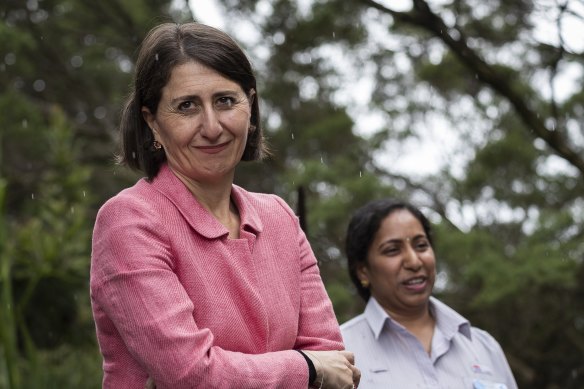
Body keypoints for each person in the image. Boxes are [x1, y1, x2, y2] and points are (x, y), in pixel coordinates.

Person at [90, 22, 360, 389]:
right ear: (151, 122)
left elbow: (334, 362)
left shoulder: (279, 218)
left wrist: (313, 365)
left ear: (250, 106)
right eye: (187, 106)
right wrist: (305, 367)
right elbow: (191, 375)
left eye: (225, 101)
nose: (212, 126)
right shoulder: (130, 221)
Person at [340, 199, 517, 389]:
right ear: (363, 271)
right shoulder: (340, 352)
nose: (414, 262)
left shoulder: (483, 347)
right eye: (392, 250)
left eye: (421, 245)